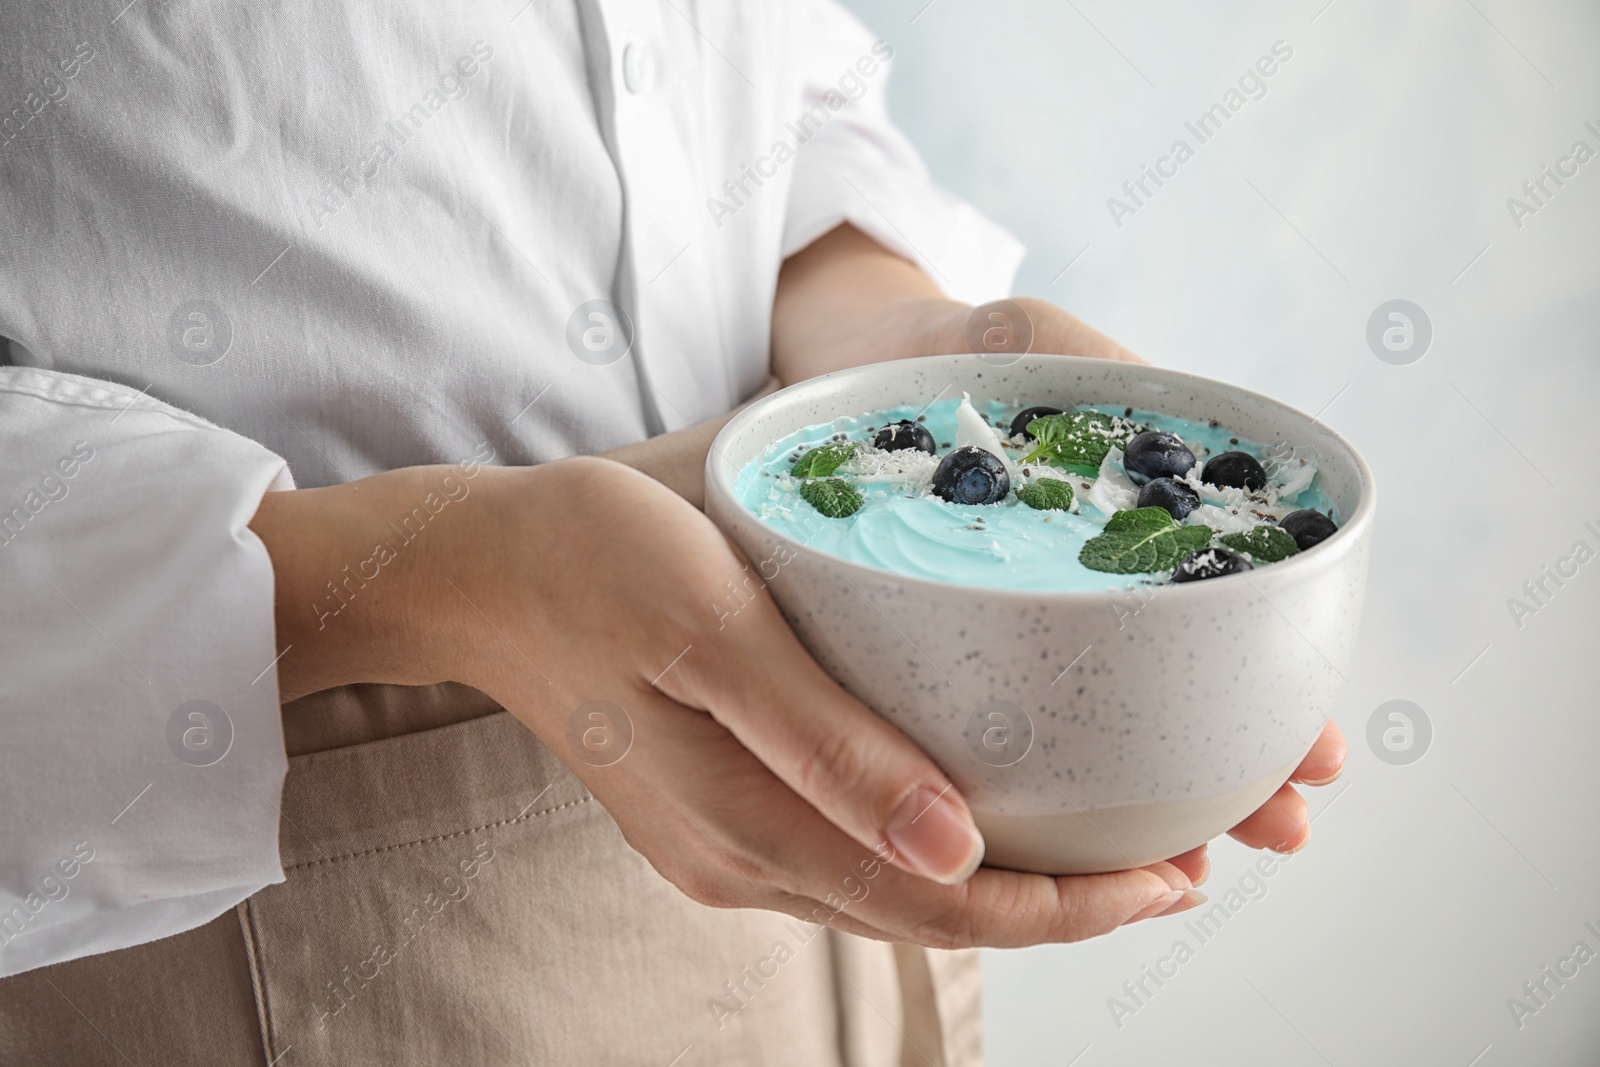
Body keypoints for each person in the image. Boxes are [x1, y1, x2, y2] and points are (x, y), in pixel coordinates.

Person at [0, 0, 1345, 1063]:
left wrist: (889, 341)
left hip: (828, 758)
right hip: (285, 878)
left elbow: (749, 73)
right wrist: (451, 575)